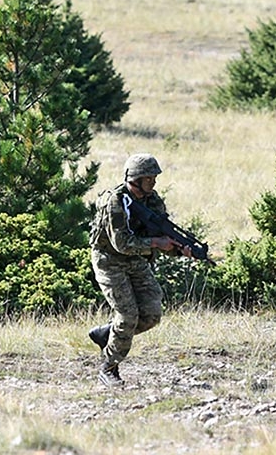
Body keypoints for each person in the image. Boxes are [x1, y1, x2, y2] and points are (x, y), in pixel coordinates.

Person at [88, 153, 192, 387]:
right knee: (128, 315)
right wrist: (155, 244)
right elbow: (121, 244)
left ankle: (108, 334)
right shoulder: (115, 202)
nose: (153, 183)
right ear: (136, 179)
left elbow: (161, 233)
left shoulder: (152, 201)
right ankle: (109, 367)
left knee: (152, 314)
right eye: (149, 179)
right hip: (110, 261)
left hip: (136, 260)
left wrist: (179, 249)